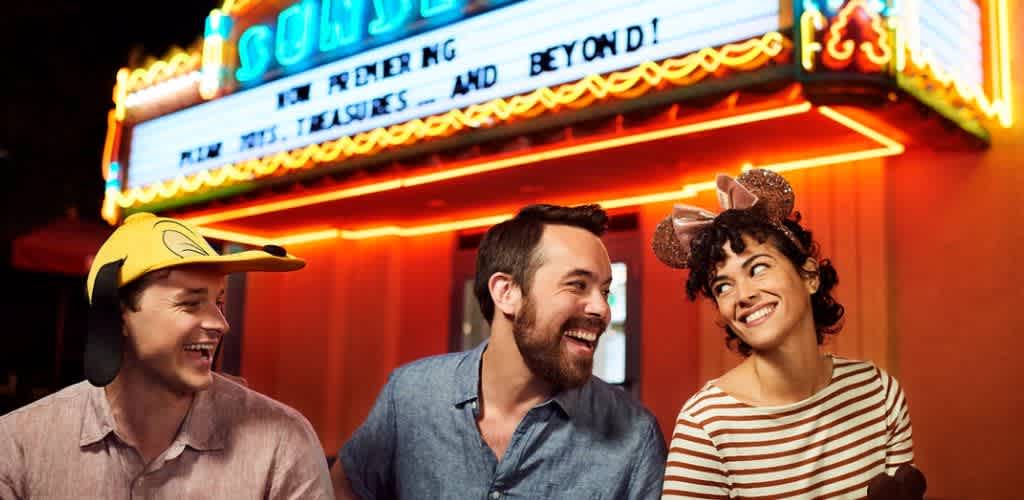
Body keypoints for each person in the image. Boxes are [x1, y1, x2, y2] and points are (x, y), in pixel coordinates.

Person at [331, 204, 667, 499]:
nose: (602, 309)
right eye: (577, 285)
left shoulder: (635, 435)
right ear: (506, 292)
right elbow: (344, 487)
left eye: (604, 291)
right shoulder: (410, 396)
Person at [0, 212, 333, 499]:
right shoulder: (19, 445)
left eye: (218, 302)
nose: (221, 324)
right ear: (118, 315)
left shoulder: (282, 443)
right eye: (189, 303)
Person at [651, 170, 920, 499]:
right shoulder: (706, 425)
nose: (743, 295)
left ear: (809, 276)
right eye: (723, 286)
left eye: (759, 267)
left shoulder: (878, 394)